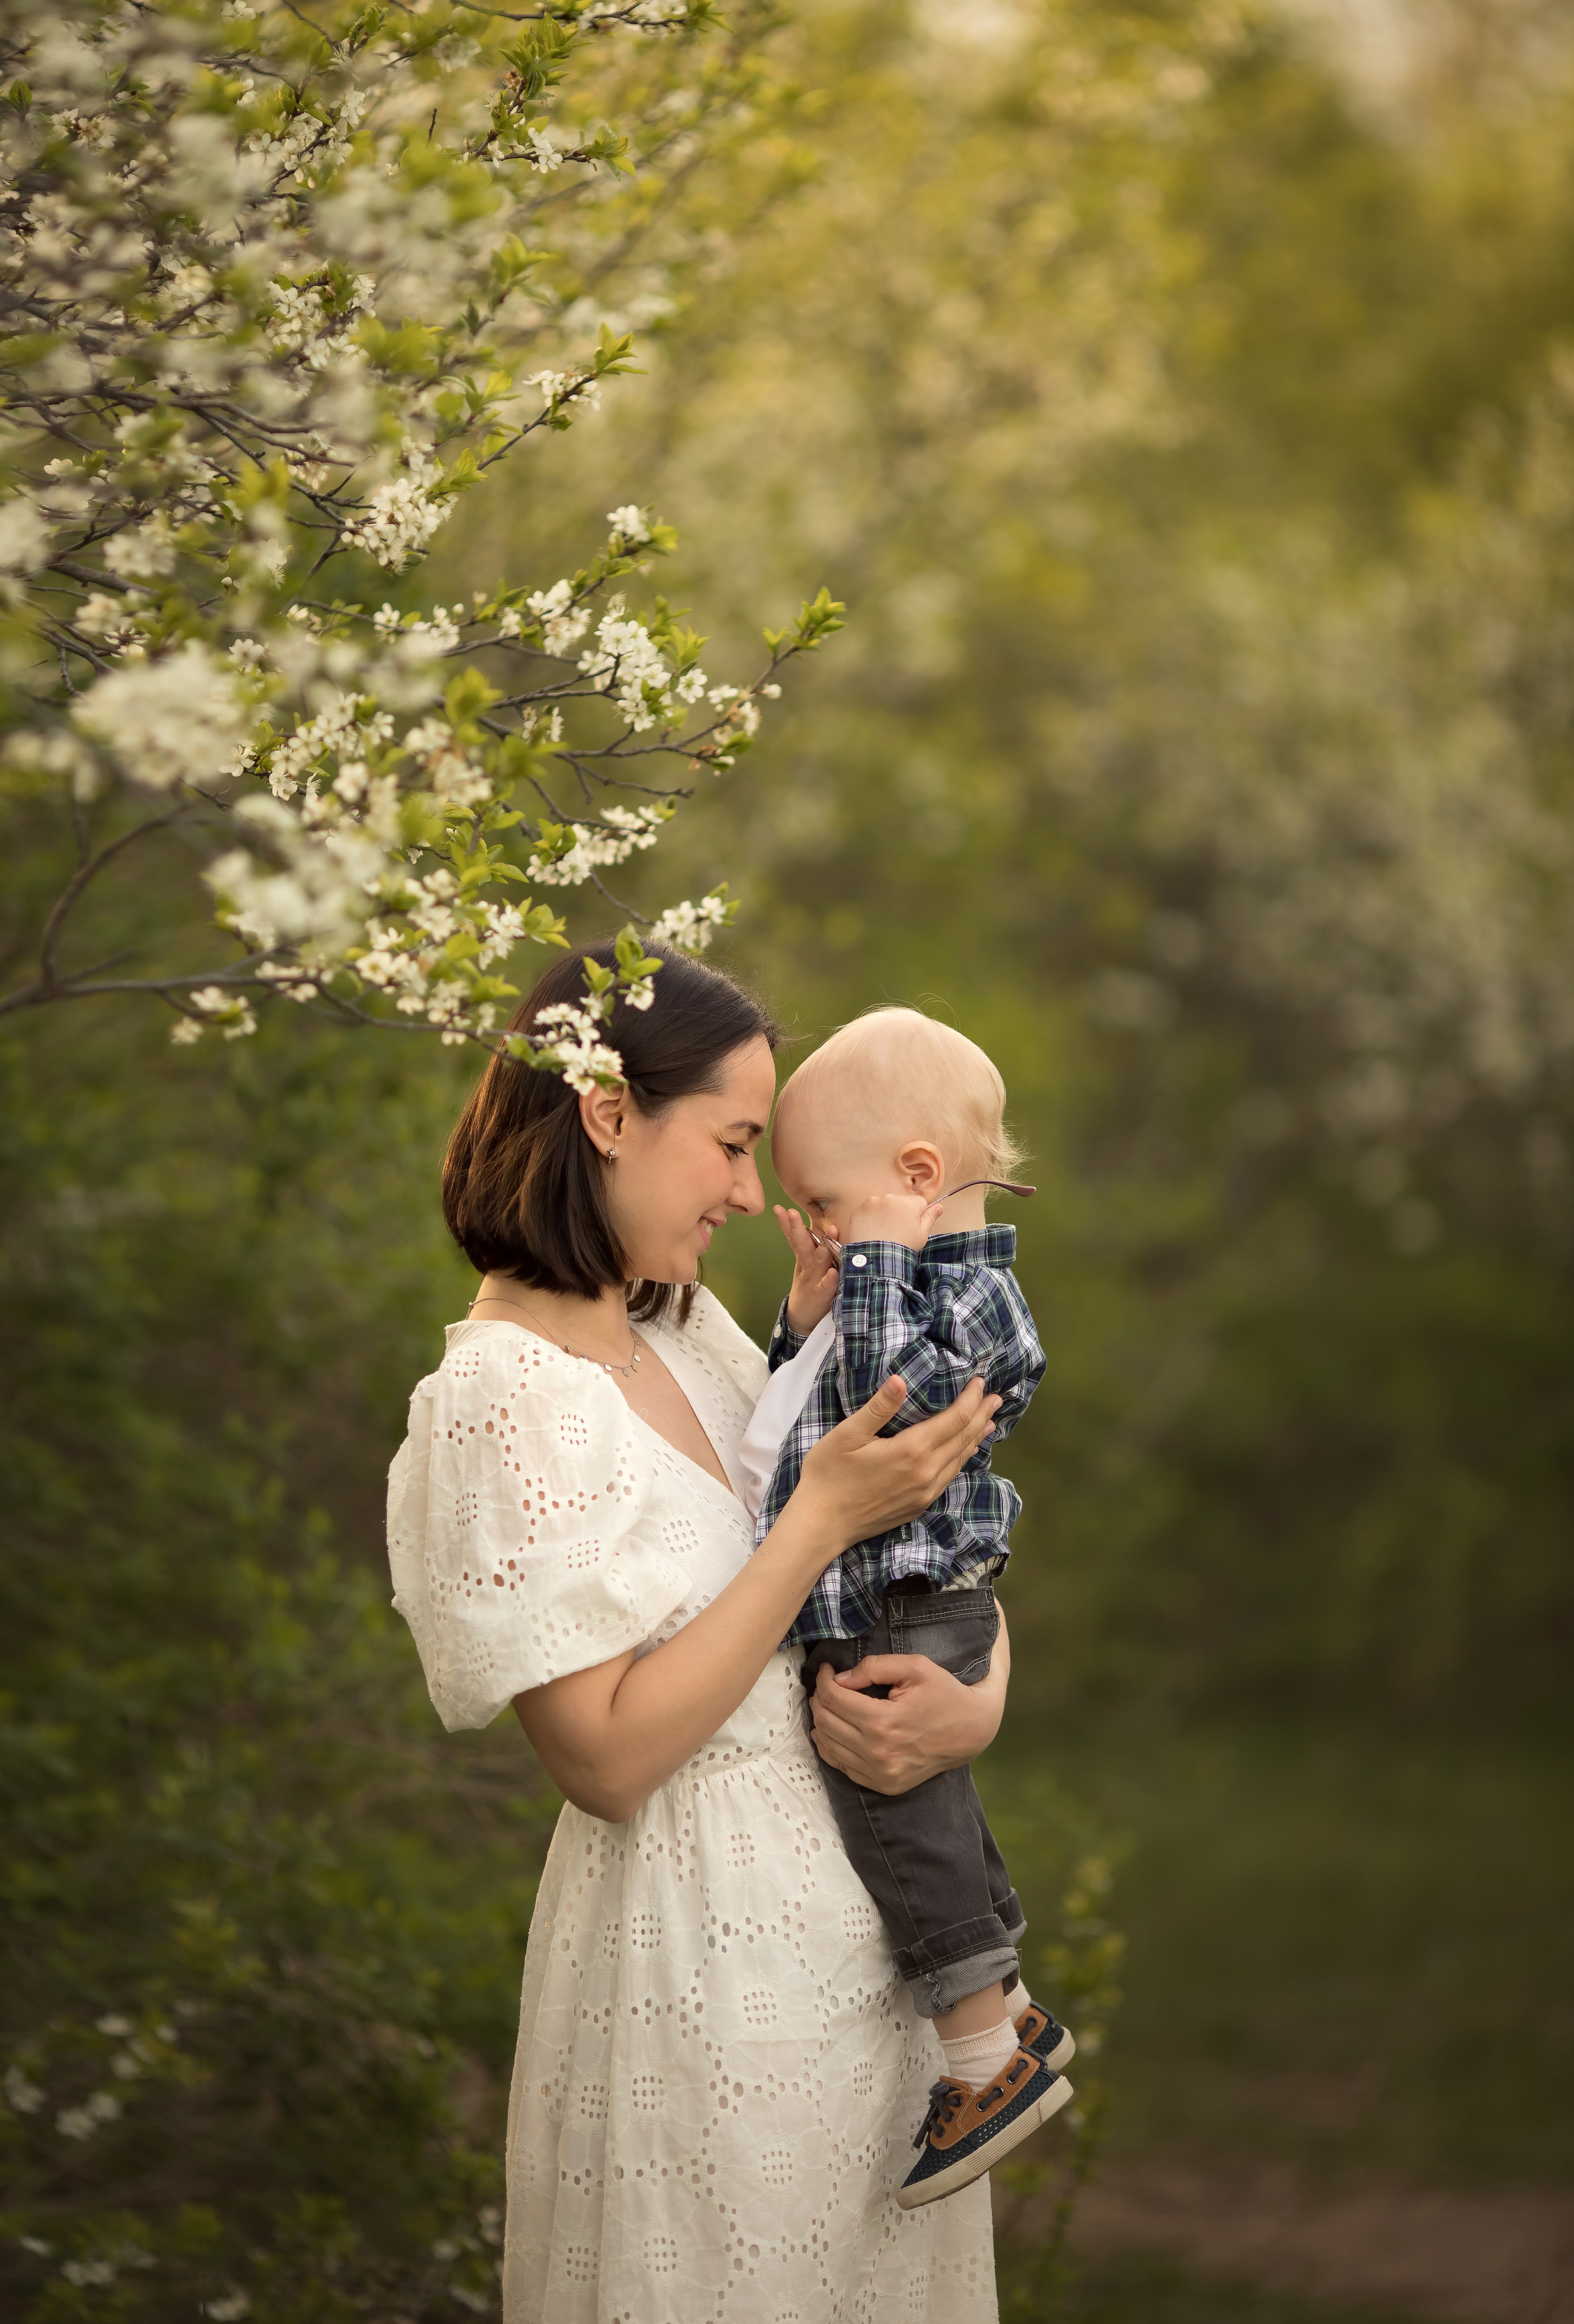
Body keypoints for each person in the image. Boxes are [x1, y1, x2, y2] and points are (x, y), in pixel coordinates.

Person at [386, 941, 1013, 2324]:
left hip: (869, 1955)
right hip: (696, 1963)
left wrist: (974, 1705)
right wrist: (813, 1524)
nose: (749, 1193)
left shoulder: (686, 1334)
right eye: (732, 1144)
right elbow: (602, 1761)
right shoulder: (500, 1396)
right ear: (608, 1115)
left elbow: (910, 1549)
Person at [738, 1009, 1073, 2209]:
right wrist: (806, 1301)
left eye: (825, 1201)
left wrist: (873, 1263)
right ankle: (1013, 2015)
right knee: (928, 1807)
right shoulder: (895, 1288)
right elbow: (799, 1409)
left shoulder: (982, 1305)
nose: (821, 1224)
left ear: (916, 1179)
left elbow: (878, 1400)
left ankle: (982, 2057)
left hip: (905, 1606)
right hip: (899, 1602)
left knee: (897, 1818)